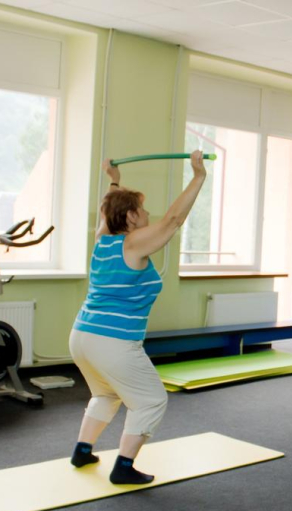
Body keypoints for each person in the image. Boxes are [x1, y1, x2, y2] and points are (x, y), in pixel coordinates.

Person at [68, 152, 207, 484]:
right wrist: (198, 176)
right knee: (151, 401)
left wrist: (113, 180)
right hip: (113, 342)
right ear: (130, 217)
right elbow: (173, 220)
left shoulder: (103, 241)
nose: (148, 215)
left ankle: (83, 451)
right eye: (143, 210)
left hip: (83, 335)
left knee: (106, 393)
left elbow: (107, 211)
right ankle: (124, 467)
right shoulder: (132, 244)